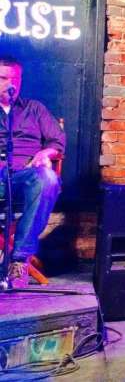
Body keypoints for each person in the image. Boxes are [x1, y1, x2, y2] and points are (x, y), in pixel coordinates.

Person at [0, 55, 65, 288]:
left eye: (15, 79)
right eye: (3, 78)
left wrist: (44, 154)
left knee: (48, 178)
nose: (10, 84)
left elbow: (57, 141)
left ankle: (18, 260)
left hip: (25, 177)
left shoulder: (34, 109)